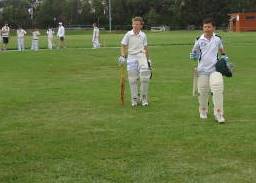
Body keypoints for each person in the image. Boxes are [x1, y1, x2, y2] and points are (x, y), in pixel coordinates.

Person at [190, 18, 228, 123]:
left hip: (215, 69)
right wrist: (193, 56)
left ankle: (219, 114)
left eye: (209, 27)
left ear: (213, 28)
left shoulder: (218, 39)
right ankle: (203, 110)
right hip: (202, 70)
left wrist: (225, 58)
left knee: (217, 89)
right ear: (203, 28)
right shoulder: (199, 39)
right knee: (202, 92)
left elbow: (222, 51)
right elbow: (194, 53)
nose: (207, 29)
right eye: (205, 27)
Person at [119, 17, 152, 107]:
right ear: (132, 24)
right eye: (134, 24)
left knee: (145, 78)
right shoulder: (128, 34)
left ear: (141, 25)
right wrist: (122, 56)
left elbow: (146, 48)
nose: (135, 26)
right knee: (133, 80)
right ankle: (134, 99)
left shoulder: (143, 35)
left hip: (142, 57)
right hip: (131, 57)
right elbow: (123, 45)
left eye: (137, 24)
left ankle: (144, 98)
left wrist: (148, 60)